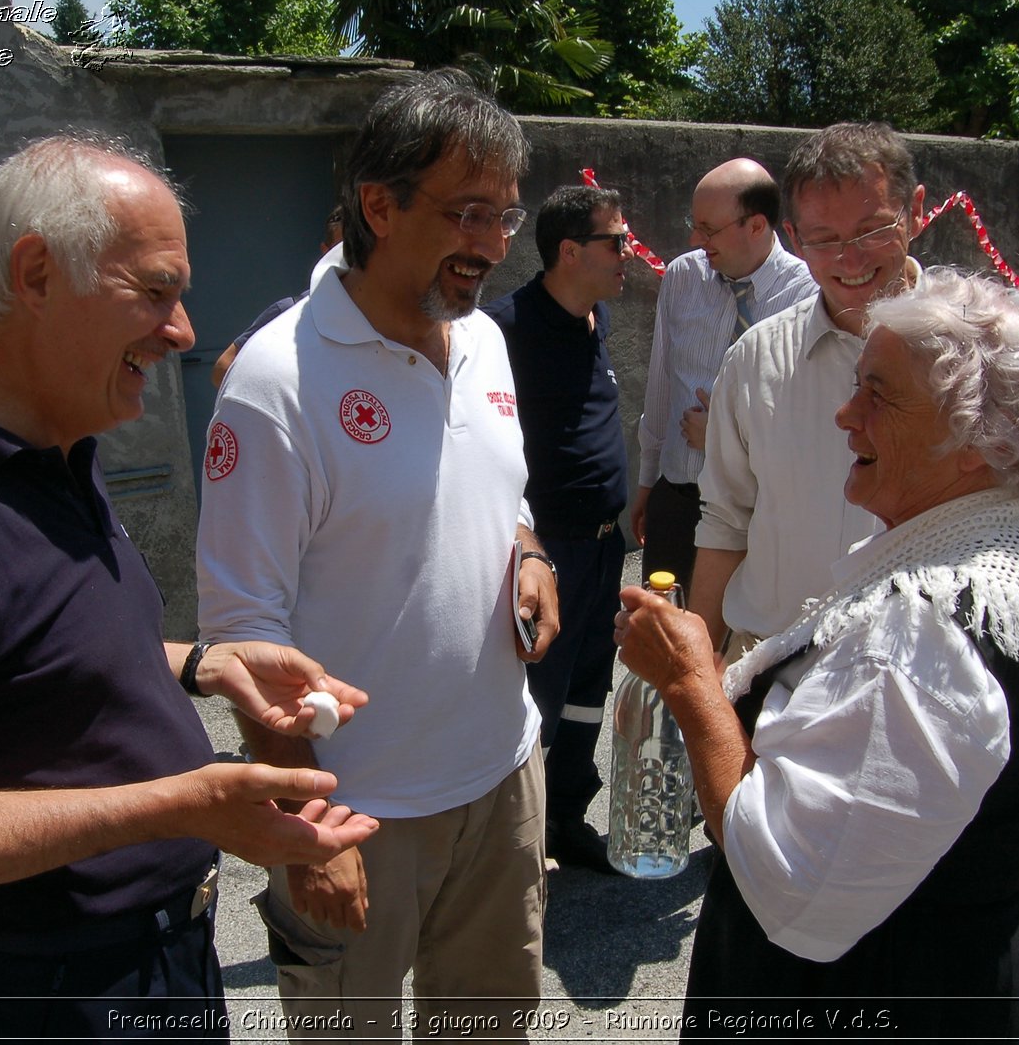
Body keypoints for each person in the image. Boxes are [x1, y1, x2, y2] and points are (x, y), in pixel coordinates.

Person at [0, 134, 380, 1042]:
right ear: (35, 274)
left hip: (155, 966)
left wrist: (207, 662)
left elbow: (29, 657)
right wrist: (184, 804)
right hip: (47, 998)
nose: (182, 331)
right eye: (156, 291)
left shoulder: (58, 450)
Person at [615, 268, 1019, 1039]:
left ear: (981, 443)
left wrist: (690, 682)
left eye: (880, 394)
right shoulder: (1016, 546)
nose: (846, 414)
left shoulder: (927, 635)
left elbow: (785, 879)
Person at [195, 70, 558, 1039]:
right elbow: (241, 631)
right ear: (379, 204)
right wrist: (309, 829)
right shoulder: (275, 380)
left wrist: (529, 553)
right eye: (468, 212)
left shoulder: (481, 337)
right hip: (357, 808)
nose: (489, 244)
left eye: (504, 215)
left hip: (502, 775)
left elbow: (501, 492)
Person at [692, 123, 926, 661]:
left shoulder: (976, 354)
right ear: (795, 239)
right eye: (824, 238)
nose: (851, 258)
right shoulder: (754, 361)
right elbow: (726, 520)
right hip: (770, 674)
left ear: (914, 212)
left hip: (912, 678)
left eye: (872, 230)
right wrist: (697, 671)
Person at [482, 185, 632, 873]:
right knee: (534, 701)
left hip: (607, 550)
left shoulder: (595, 320)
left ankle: (566, 817)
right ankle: (515, 839)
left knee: (586, 695)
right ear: (571, 251)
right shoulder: (502, 329)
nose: (629, 254)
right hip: (548, 555)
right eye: (617, 242)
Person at [632, 158, 816, 591]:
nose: (697, 240)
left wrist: (724, 435)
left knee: (736, 654)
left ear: (756, 225)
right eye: (694, 225)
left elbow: (811, 424)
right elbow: (660, 389)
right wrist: (647, 485)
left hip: (758, 516)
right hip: (679, 500)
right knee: (663, 642)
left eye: (709, 230)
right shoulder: (683, 277)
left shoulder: (810, 296)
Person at [210, 206, 344, 387]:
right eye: (342, 250)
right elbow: (223, 369)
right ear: (325, 251)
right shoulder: (289, 311)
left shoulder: (385, 319)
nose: (353, 260)